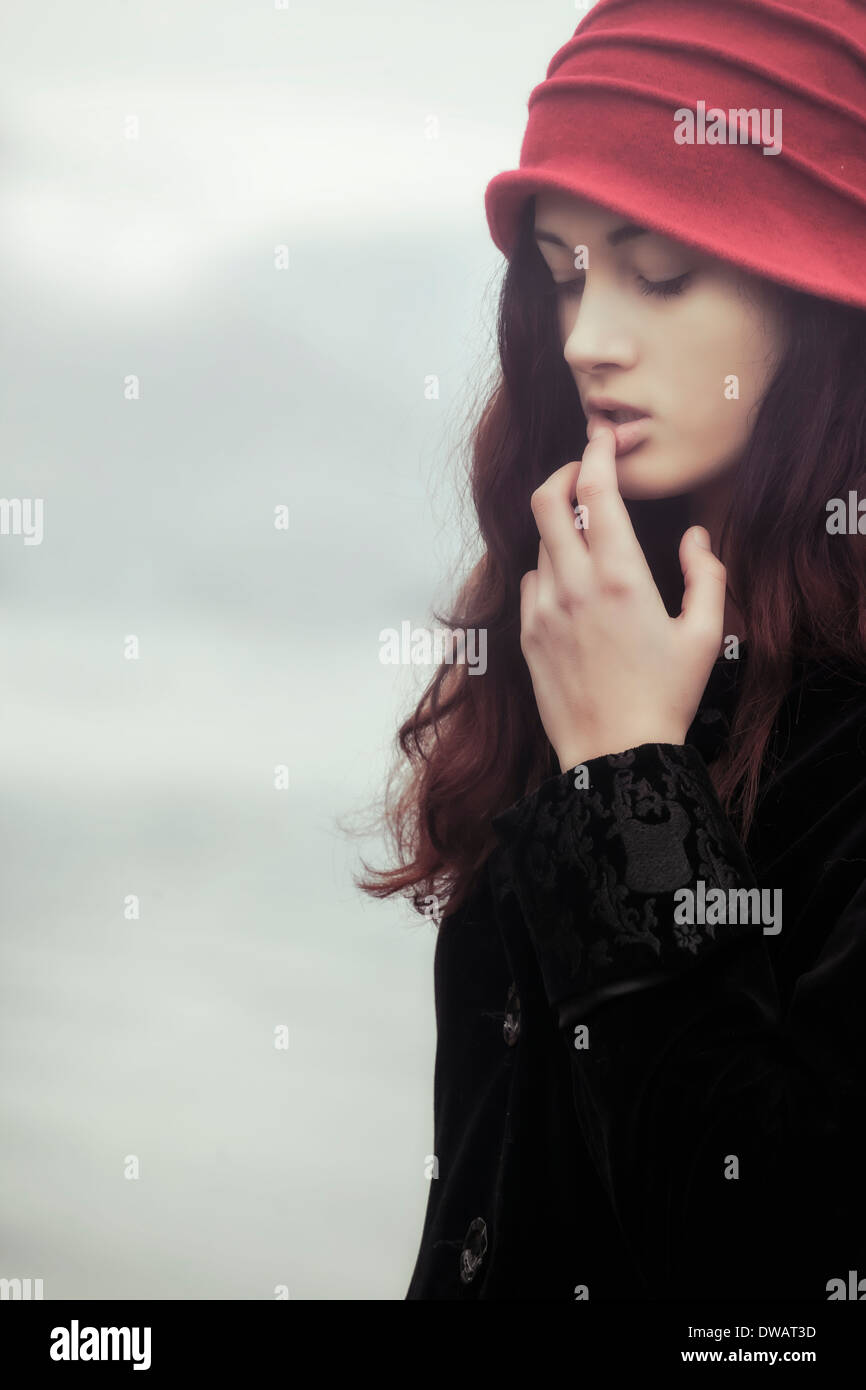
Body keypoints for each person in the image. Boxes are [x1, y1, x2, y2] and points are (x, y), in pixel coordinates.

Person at [354, 0, 866, 1299]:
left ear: (821, 292)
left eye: (660, 271)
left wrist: (630, 779)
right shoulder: (571, 628)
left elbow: (778, 1276)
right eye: (565, 270)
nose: (587, 339)